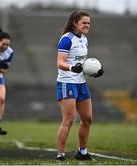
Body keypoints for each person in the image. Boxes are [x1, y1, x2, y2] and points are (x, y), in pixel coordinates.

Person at [56, 11, 103, 161]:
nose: (87, 25)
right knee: (68, 120)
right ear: (75, 23)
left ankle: (82, 152)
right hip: (67, 81)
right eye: (84, 22)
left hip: (81, 82)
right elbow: (60, 62)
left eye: (89, 23)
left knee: (87, 119)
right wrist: (71, 68)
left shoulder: (84, 39)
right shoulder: (66, 39)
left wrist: (94, 71)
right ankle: (60, 154)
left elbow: (83, 63)